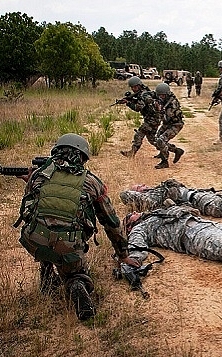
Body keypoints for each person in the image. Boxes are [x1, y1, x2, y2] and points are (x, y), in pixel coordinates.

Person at [15, 134, 139, 320]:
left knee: (47, 227)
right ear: (82, 157)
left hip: (33, 240)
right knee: (72, 268)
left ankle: (47, 277)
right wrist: (123, 255)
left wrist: (32, 182)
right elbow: (111, 222)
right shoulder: (92, 183)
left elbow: (33, 210)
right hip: (68, 246)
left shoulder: (38, 176)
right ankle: (75, 283)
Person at [118, 76, 162, 159]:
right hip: (154, 118)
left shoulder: (143, 94)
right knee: (152, 139)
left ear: (139, 85)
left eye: (134, 87)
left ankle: (132, 153)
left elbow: (138, 108)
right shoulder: (143, 92)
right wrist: (130, 100)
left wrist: (128, 103)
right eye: (132, 87)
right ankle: (170, 150)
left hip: (152, 119)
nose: (133, 89)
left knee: (139, 134)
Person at [153, 83, 185, 168]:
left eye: (163, 95)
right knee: (156, 140)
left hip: (175, 125)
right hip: (167, 124)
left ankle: (164, 162)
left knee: (161, 140)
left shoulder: (172, 103)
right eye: (159, 95)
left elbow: (167, 117)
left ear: (167, 94)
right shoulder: (163, 101)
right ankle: (176, 151)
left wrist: (159, 110)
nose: (161, 97)